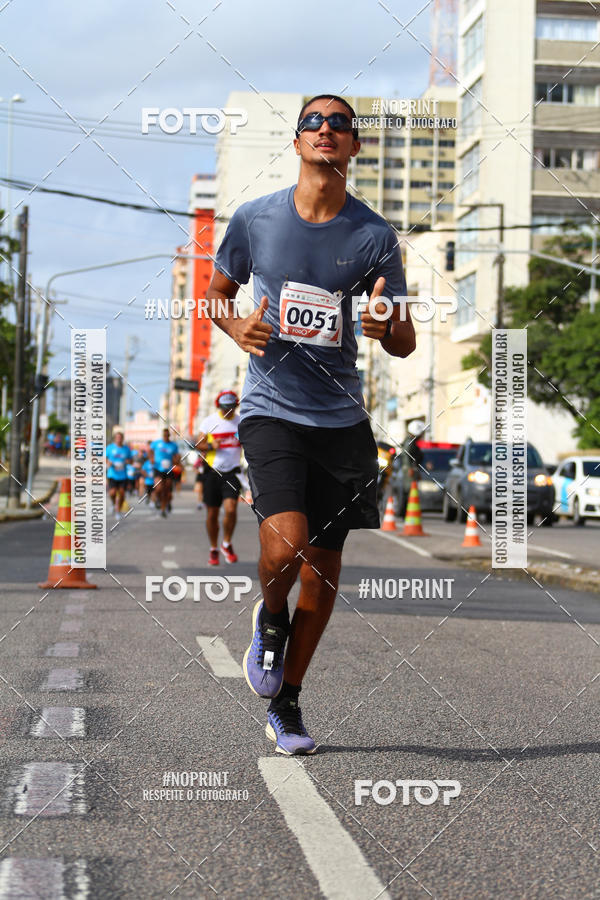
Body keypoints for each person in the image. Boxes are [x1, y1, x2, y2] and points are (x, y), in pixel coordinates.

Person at [206, 94, 416, 755]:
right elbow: (216, 295)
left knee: (322, 570)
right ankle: (271, 619)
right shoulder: (256, 219)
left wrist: (386, 324)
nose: (327, 129)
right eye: (313, 122)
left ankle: (288, 703)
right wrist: (236, 326)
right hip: (271, 408)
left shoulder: (375, 237)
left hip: (342, 419)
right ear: (297, 142)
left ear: (354, 146)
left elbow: (403, 341)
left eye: (340, 124)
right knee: (286, 546)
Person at [195, 390, 243, 566]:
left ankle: (226, 543)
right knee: (212, 514)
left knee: (231, 509)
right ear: (218, 406)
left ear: (235, 406)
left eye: (231, 407)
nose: (227, 411)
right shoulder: (209, 422)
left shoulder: (241, 422)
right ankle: (214, 548)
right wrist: (210, 445)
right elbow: (198, 445)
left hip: (233, 472)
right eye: (224, 408)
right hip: (212, 473)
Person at [149, 428, 180, 518]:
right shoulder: (156, 443)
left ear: (169, 436)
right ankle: (158, 500)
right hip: (158, 469)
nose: (166, 437)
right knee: (158, 488)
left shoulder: (173, 445)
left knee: (166, 490)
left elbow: (176, 456)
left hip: (169, 470)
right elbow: (150, 451)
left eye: (167, 435)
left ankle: (163, 509)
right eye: (164, 435)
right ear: (162, 435)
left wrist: (177, 460)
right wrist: (151, 458)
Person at [106, 428, 132, 519]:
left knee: (122, 494)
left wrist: (128, 461)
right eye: (117, 437)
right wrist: (108, 463)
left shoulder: (126, 449)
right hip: (112, 474)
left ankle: (118, 510)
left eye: (120, 438)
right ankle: (113, 504)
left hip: (123, 475)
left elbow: (131, 460)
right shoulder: (110, 447)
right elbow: (105, 458)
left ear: (122, 439)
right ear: (115, 438)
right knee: (112, 493)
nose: (119, 439)